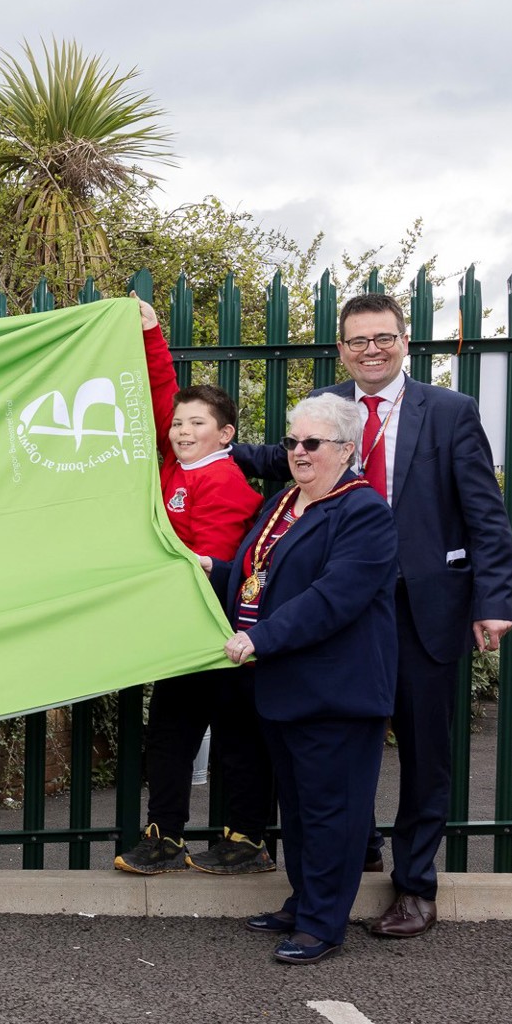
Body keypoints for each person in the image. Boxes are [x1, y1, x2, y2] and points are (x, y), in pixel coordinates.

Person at [232, 294, 512, 939]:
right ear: (341, 349)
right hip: (344, 615)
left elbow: (484, 510)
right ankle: (347, 863)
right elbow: (281, 459)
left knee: (423, 752)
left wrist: (494, 600)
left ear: (405, 341)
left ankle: (414, 886)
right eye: (357, 341)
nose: (371, 351)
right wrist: (204, 451)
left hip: (423, 609)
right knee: (334, 746)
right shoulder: (326, 407)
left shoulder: (449, 411)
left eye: (383, 338)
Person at [222, 393, 398, 963]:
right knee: (299, 809)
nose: (298, 452)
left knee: (332, 813)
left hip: (335, 691)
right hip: (283, 685)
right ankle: (303, 903)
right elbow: (259, 578)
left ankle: (323, 923)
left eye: (312, 443)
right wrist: (212, 569)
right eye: (292, 442)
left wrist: (262, 637)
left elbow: (333, 597)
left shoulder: (363, 511)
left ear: (345, 450)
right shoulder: (284, 502)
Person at [115, 299, 274, 876]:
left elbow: (220, 565)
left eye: (197, 424)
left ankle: (247, 839)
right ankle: (165, 837)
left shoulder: (224, 480)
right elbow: (164, 397)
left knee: (236, 738)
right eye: (179, 425)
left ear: (225, 434)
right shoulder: (173, 466)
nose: (182, 430)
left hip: (220, 635)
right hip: (180, 631)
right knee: (169, 737)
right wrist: (151, 333)